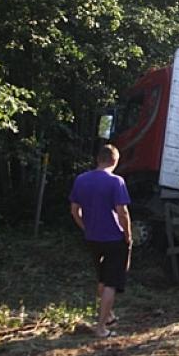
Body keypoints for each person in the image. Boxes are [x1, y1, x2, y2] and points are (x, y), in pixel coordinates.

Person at [69, 144, 132, 338]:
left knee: (102, 278)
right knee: (111, 283)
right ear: (115, 161)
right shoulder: (116, 181)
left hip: (93, 238)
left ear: (98, 159)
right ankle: (101, 328)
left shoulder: (81, 180)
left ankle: (109, 315)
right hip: (114, 238)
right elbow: (122, 212)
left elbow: (74, 211)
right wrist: (128, 234)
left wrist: (85, 227)